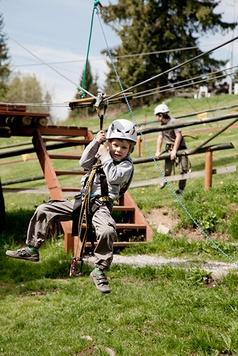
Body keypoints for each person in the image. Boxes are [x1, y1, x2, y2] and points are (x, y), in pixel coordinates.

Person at [6, 118, 137, 294]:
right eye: (115, 145)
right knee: (44, 209)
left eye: (124, 147)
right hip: (81, 201)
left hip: (101, 206)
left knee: (107, 231)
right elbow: (83, 163)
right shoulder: (101, 156)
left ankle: (100, 270)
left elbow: (113, 177)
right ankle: (32, 248)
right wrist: (95, 143)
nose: (118, 150)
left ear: (130, 150)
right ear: (109, 143)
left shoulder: (126, 165)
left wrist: (105, 154)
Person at [154, 103, 189, 194]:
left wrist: (175, 151)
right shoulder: (162, 125)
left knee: (184, 169)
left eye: (157, 116)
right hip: (170, 148)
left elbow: (178, 136)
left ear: (161, 115)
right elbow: (160, 137)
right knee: (167, 169)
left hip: (180, 147)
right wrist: (158, 151)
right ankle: (165, 180)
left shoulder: (174, 122)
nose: (156, 118)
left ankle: (181, 189)